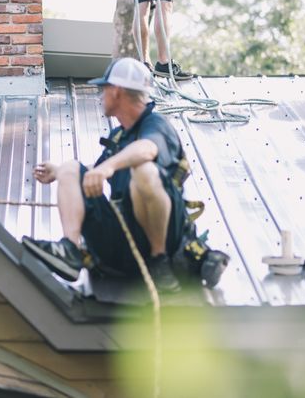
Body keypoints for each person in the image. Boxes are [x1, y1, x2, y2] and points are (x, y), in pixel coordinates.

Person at [21, 57, 185, 292]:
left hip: (163, 239)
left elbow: (147, 149)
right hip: (122, 245)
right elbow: (91, 173)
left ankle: (159, 261)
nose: (100, 96)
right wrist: (60, 172)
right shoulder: (120, 136)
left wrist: (108, 167)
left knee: (144, 170)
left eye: (103, 89)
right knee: (71, 167)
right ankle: (70, 251)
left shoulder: (156, 124)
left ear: (116, 91)